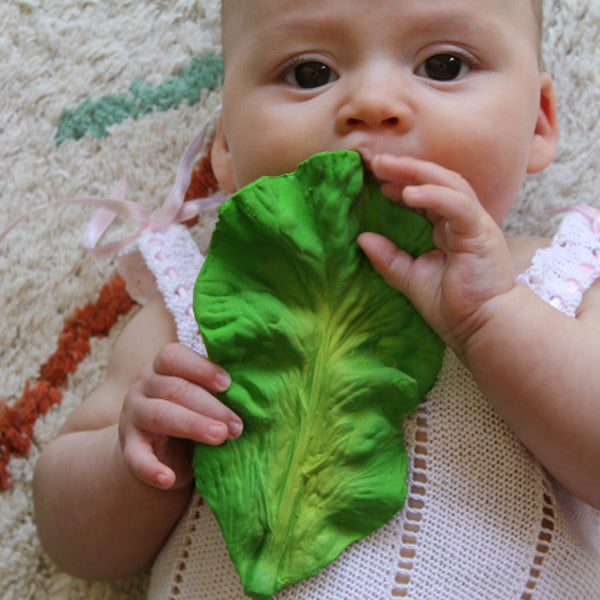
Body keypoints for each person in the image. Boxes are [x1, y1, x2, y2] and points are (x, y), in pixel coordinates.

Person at [32, 0, 600, 597]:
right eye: (311, 73)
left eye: (445, 65)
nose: (374, 104)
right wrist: (137, 464)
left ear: (537, 122)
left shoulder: (562, 278)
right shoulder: (196, 307)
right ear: (225, 144)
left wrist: (493, 317)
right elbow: (72, 543)